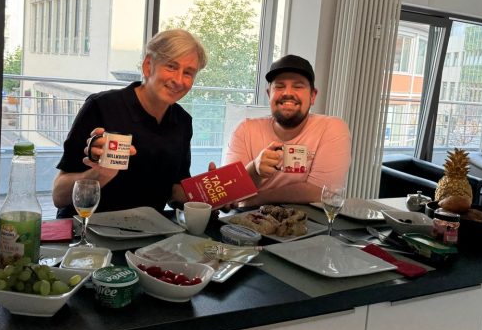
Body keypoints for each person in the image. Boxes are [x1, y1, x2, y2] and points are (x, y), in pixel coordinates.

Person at [52, 29, 207, 217]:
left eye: (188, 73)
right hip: (87, 227)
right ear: (148, 66)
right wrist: (100, 174)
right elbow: (59, 196)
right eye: (171, 67)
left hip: (149, 229)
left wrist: (213, 192)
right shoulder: (101, 107)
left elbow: (174, 192)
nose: (179, 80)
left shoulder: (182, 121)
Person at [224, 54, 351, 207]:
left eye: (298, 86)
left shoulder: (332, 127)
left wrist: (257, 198)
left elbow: (321, 192)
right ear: (269, 94)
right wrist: (255, 169)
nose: (287, 93)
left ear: (312, 96)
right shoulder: (245, 130)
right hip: (249, 219)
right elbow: (231, 192)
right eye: (279, 86)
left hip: (309, 220)